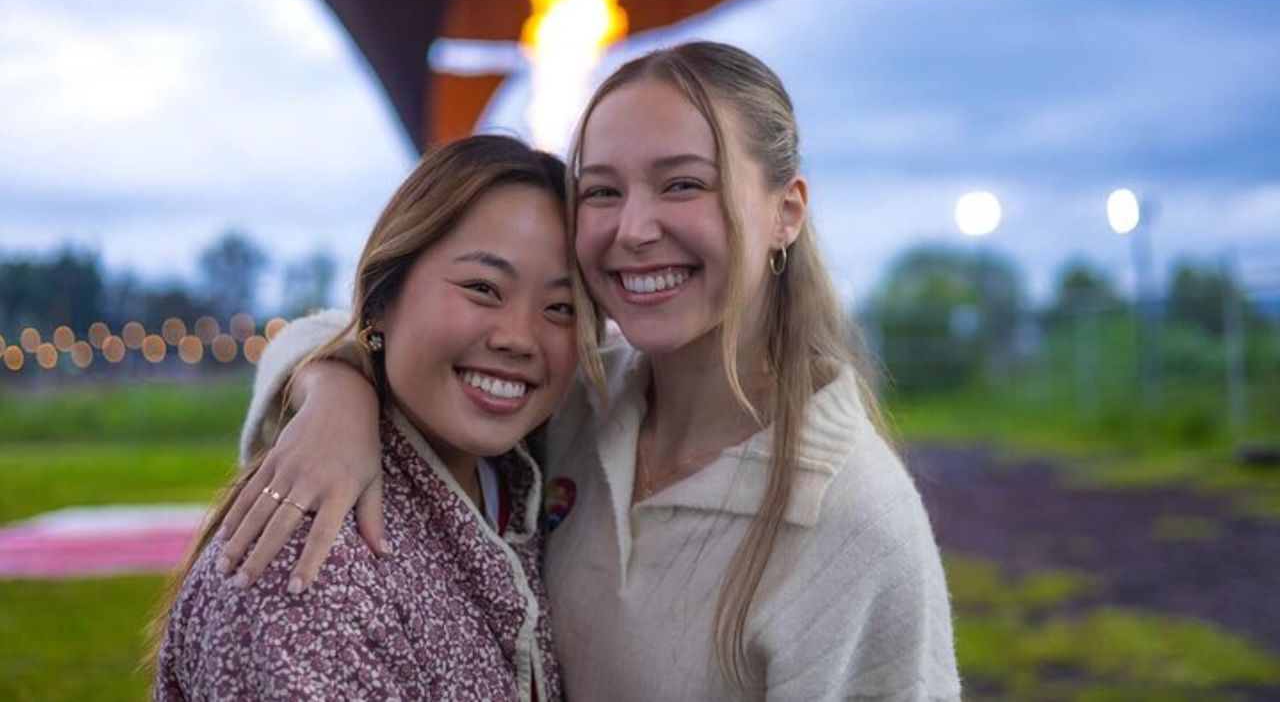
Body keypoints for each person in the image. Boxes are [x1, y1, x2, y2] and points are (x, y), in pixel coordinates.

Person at [218, 42, 961, 700]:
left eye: (683, 184)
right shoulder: (576, 401)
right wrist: (337, 391)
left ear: (786, 211)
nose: (634, 229)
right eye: (602, 190)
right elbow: (357, 328)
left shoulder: (856, 522)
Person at [152, 135, 579, 700]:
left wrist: (329, 381)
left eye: (561, 308)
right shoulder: (307, 568)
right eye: (482, 288)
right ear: (380, 299)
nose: (519, 338)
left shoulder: (517, 479)